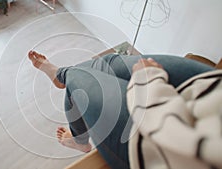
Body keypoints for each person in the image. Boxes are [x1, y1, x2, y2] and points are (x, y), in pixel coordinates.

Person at [28, 51, 222, 169]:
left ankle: (80, 139)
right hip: (210, 90)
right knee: (109, 62)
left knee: (76, 77)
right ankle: (61, 75)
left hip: (164, 149)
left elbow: (186, 139)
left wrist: (150, 81)